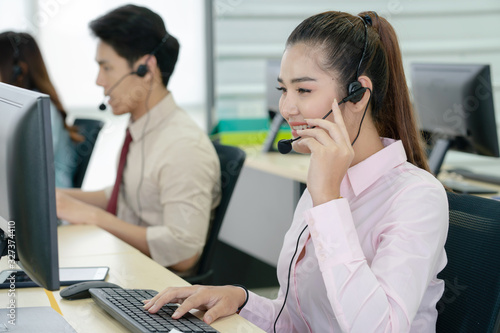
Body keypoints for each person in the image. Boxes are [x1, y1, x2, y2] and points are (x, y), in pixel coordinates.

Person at [143, 10, 449, 332]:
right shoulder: (327, 179)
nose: (287, 108)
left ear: (358, 95)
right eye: (283, 90)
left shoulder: (416, 197)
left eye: (303, 90)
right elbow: (301, 321)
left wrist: (329, 202)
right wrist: (242, 299)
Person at [55, 5, 221, 275]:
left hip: (151, 285)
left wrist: (96, 217)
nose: (99, 81)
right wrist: (55, 198)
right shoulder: (142, 128)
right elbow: (124, 195)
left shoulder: (183, 146)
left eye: (106, 67)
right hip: (126, 265)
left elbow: (184, 252)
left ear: (146, 68)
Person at [0, 31, 83, 188]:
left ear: (19, 70)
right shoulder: (18, 107)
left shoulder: (40, 110)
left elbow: (27, 167)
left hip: (47, 201)